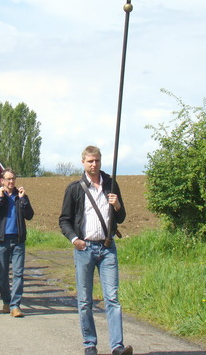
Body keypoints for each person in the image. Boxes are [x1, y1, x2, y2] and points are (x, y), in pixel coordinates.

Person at [59, 146, 132, 355]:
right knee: (85, 300)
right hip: (85, 249)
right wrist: (75, 240)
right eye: (90, 161)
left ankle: (117, 347)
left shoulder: (111, 184)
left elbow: (121, 217)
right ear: (83, 162)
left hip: (108, 247)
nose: (94, 164)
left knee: (112, 298)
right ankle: (89, 344)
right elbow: (64, 220)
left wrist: (117, 205)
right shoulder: (75, 188)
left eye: (97, 161)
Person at [0, 168, 34, 318]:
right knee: (2, 274)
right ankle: (6, 301)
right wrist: (0, 199)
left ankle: (15, 305)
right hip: (1, 240)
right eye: (8, 179)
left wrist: (24, 200)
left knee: (18, 273)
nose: (11, 181)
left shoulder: (20, 197)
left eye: (13, 178)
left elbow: (29, 215)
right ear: (2, 181)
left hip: (17, 240)